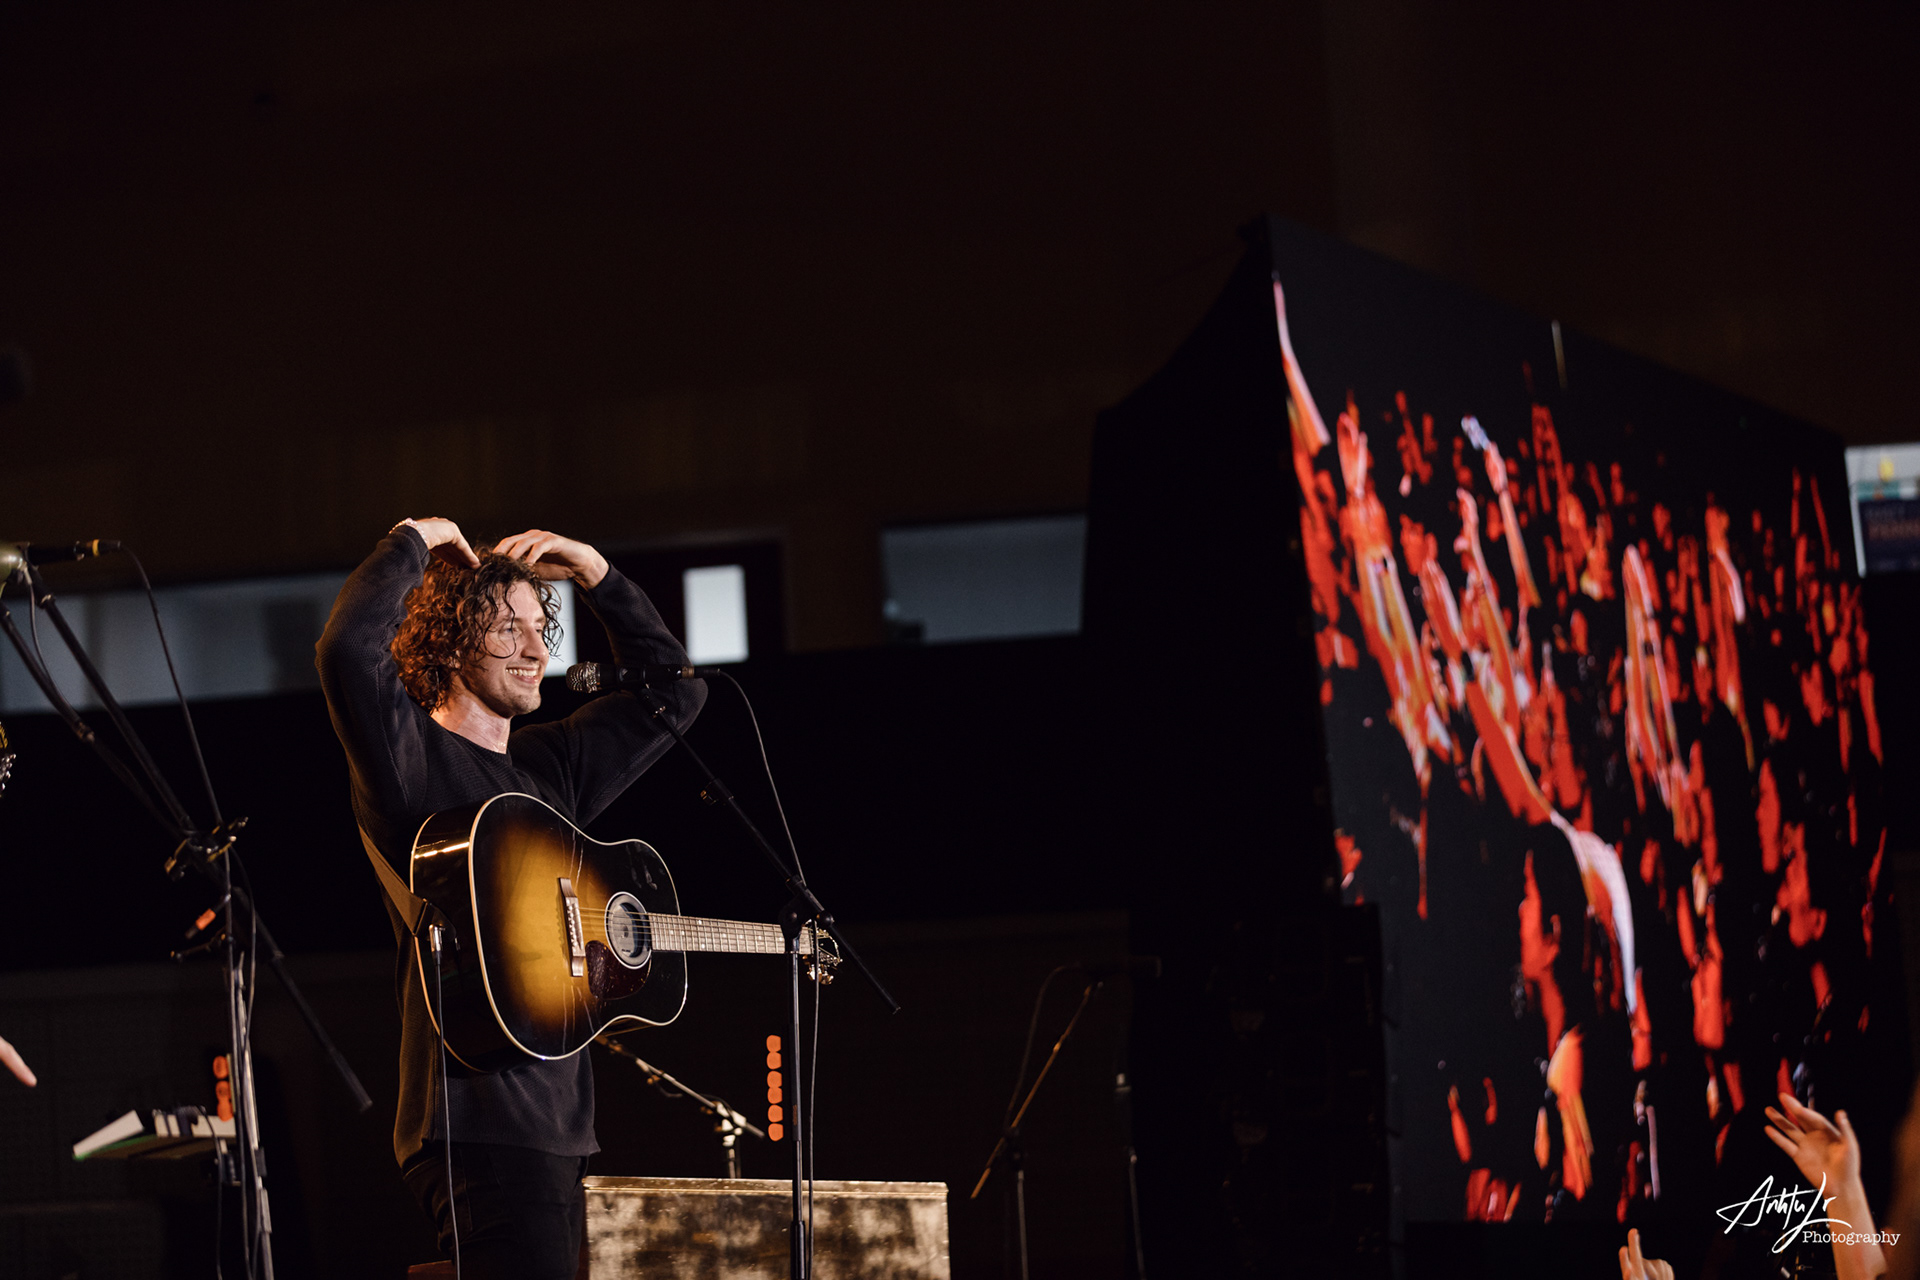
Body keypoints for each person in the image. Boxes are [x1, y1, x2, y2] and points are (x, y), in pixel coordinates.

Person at [316, 518, 705, 1279]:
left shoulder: (547, 767)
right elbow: (347, 650)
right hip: (475, 1121)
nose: (536, 651)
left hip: (561, 1127)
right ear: (450, 642)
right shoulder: (409, 759)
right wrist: (412, 541)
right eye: (506, 630)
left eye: (540, 628)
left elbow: (676, 693)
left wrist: (598, 576)